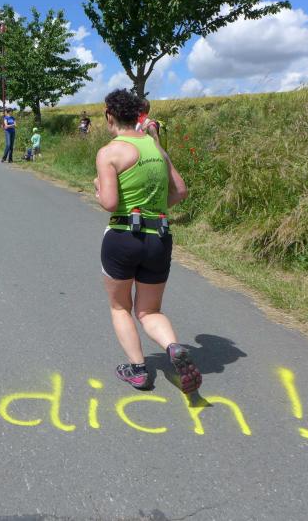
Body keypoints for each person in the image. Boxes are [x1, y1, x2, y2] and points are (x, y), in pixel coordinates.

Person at [93, 88, 200, 394]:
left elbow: (110, 203)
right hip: (159, 237)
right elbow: (180, 191)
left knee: (120, 307)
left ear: (110, 116)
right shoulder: (156, 148)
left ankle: (138, 371)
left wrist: (98, 189)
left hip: (123, 236)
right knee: (150, 311)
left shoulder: (110, 152)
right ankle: (173, 347)